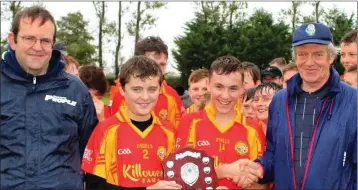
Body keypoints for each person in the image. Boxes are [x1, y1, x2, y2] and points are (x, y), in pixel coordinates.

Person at [243, 22, 357, 189]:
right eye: (302, 55)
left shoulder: (353, 101)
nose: (309, 62)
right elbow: (274, 155)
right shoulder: (280, 101)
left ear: (331, 57)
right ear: (295, 59)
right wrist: (258, 167)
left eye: (318, 54)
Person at [1, 6, 98, 189]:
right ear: (12, 40)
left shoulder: (75, 90)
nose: (37, 47)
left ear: (53, 44)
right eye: (29, 38)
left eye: (45, 41)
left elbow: (91, 151)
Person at [81, 56, 183, 189]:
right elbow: (94, 186)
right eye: (137, 89)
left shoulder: (170, 132)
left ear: (160, 89)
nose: (145, 97)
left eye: (152, 89)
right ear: (122, 90)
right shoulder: (105, 131)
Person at [175, 55, 266, 189]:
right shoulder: (189, 122)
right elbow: (177, 177)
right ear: (208, 85)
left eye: (233, 88)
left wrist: (246, 182)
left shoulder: (253, 128)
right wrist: (225, 171)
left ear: (242, 89)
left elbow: (263, 186)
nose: (225, 95)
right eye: (219, 87)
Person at [111, 36, 184, 128]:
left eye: (162, 64)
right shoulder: (122, 96)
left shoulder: (172, 96)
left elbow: (178, 131)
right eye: (152, 63)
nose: (158, 69)